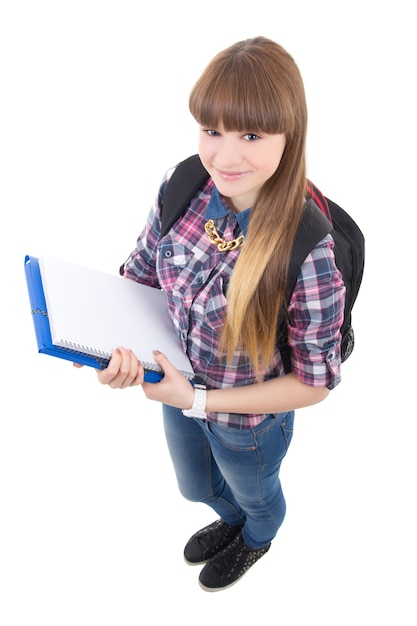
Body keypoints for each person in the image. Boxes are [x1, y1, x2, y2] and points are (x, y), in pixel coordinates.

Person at [87, 36, 345, 591]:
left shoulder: (308, 250)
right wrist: (106, 347)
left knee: (258, 494)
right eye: (212, 131)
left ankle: (257, 536)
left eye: (251, 134)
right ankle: (232, 521)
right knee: (194, 488)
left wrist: (200, 400)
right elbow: (140, 275)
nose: (225, 157)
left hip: (248, 422)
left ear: (288, 135)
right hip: (176, 387)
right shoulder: (181, 184)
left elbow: (316, 383)